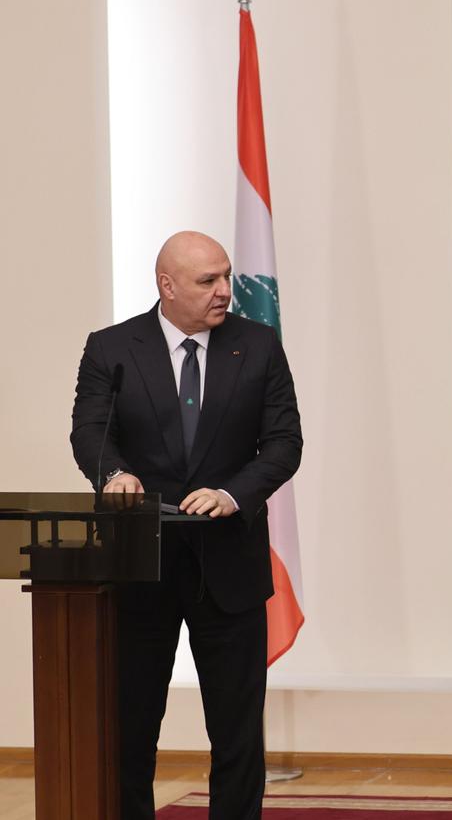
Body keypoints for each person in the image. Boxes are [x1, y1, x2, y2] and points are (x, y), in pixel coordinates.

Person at [70, 230, 303, 820]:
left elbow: (283, 444)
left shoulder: (258, 345)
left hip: (230, 564)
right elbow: (90, 434)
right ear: (167, 285)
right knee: (131, 725)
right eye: (209, 281)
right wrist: (114, 475)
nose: (226, 290)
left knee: (237, 731)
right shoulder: (112, 349)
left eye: (225, 276)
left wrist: (232, 493)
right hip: (139, 564)